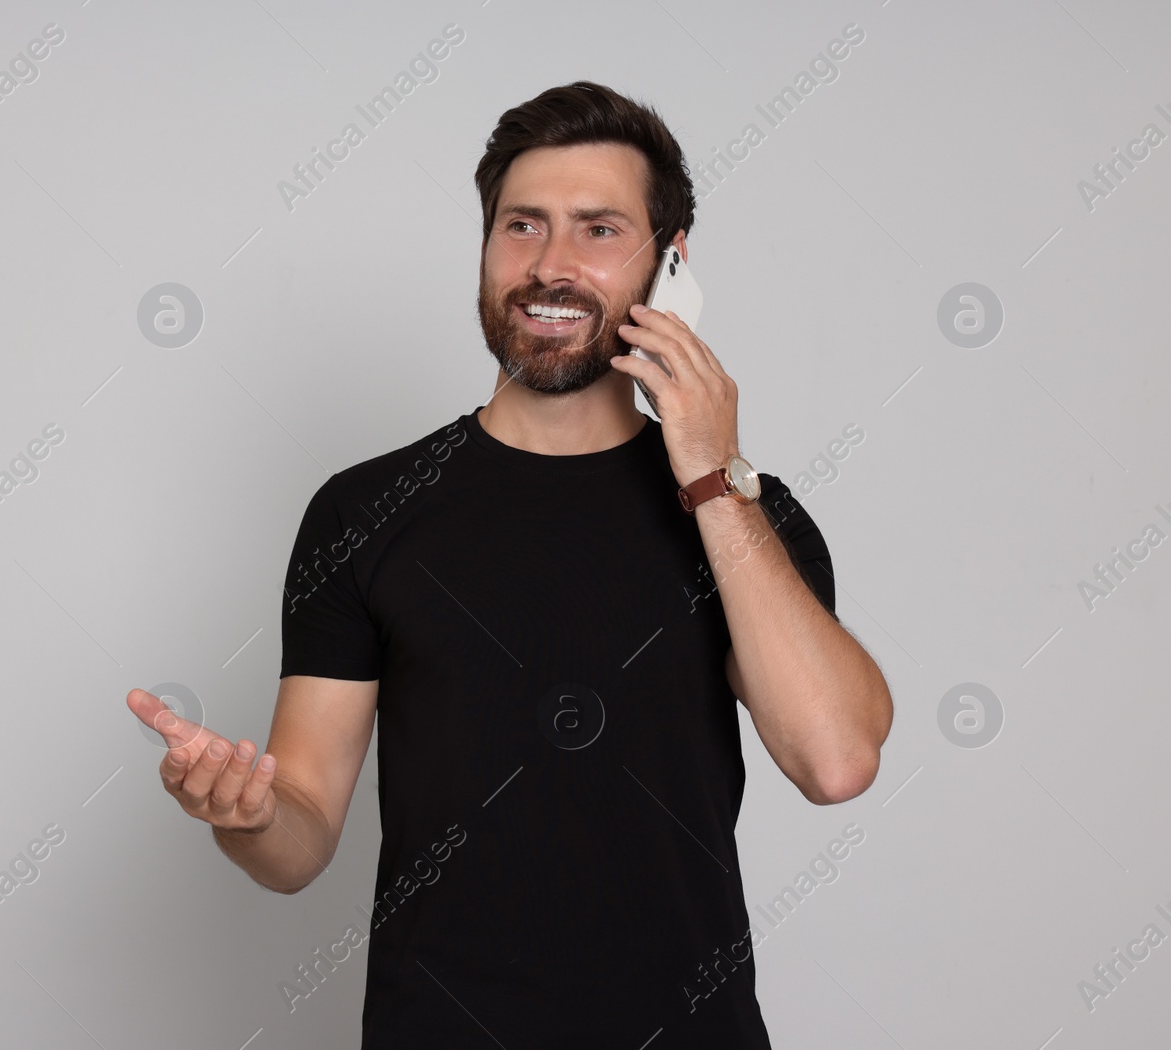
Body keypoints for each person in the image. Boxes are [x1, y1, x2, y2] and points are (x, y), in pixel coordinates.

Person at [126, 80, 893, 1047]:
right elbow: (300, 833)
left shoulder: (744, 515)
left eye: (600, 230)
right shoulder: (363, 513)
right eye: (521, 226)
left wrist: (708, 478)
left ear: (671, 267)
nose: (552, 266)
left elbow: (835, 760)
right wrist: (242, 812)